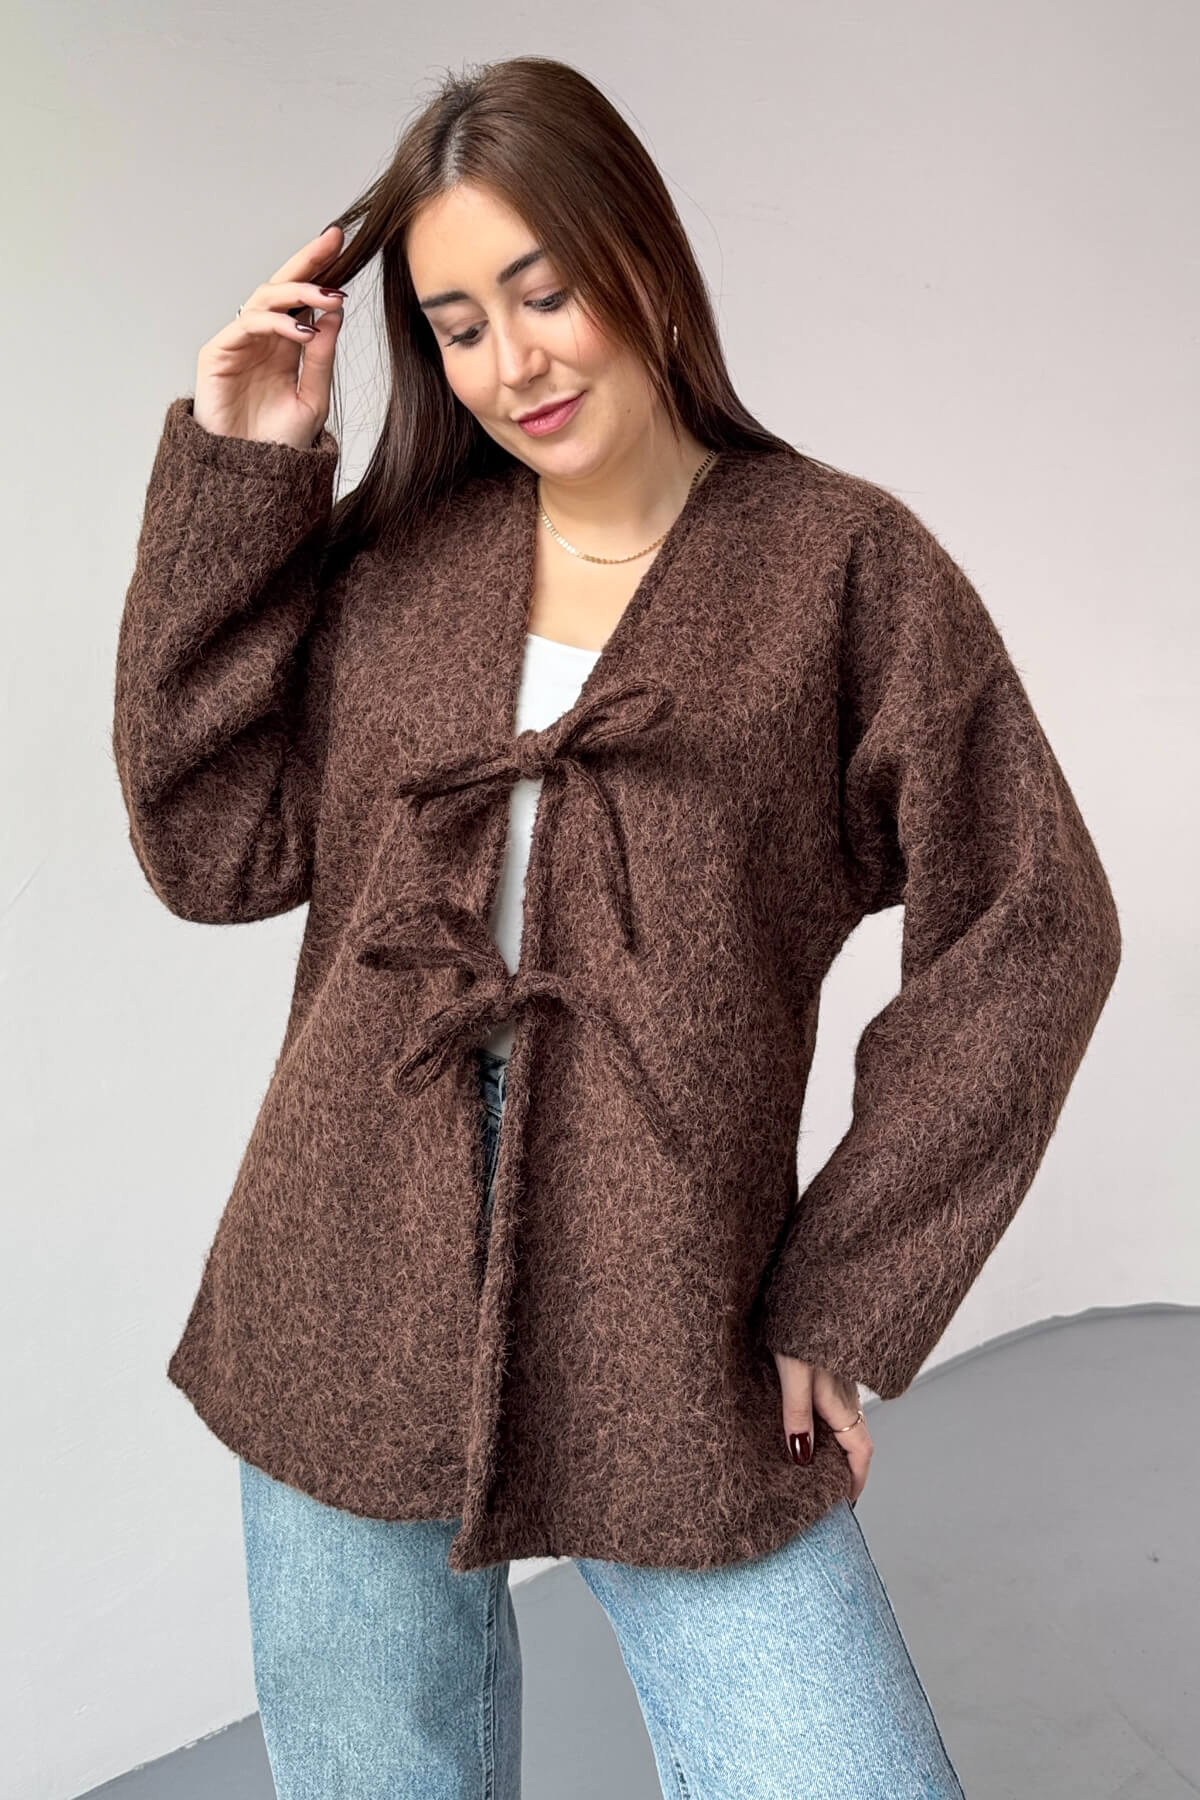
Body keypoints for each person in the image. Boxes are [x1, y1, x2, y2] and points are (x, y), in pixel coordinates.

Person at [112, 55, 1121, 1800]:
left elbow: (1031, 927)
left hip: (671, 1281)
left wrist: (851, 1287)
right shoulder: (398, 567)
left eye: (544, 291)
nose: (514, 361)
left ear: (641, 260)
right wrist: (237, 476)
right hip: (335, 1275)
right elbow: (214, 850)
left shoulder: (841, 570)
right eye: (456, 325)